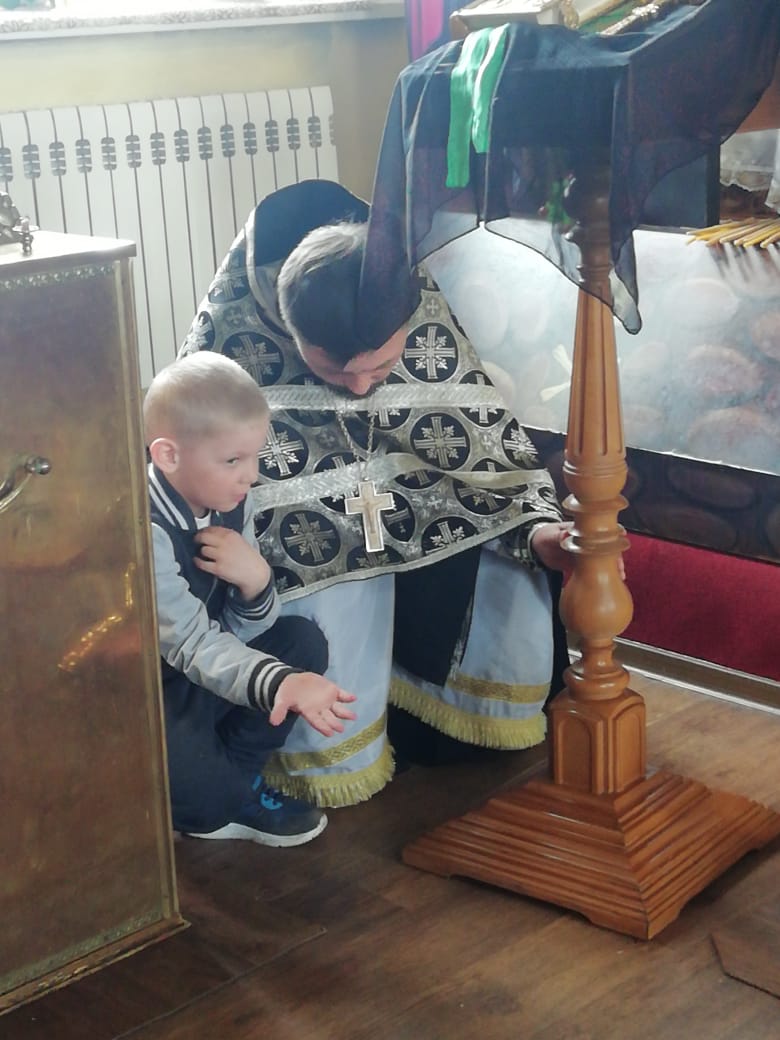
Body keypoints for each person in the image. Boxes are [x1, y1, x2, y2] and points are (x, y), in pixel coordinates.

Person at [180, 179, 572, 809]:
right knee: (308, 561)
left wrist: (536, 530)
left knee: (505, 556)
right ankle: (319, 761)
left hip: (411, 500)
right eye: (334, 370)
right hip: (297, 550)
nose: (361, 389)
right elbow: (196, 477)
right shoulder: (236, 338)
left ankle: (444, 722)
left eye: (382, 369)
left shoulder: (406, 298)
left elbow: (480, 449)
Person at [143, 350, 357, 845]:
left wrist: (256, 583)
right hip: (156, 694)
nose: (251, 475)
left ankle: (231, 786)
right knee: (205, 805)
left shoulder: (231, 501)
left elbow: (241, 631)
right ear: (169, 456)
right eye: (233, 461)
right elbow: (190, 646)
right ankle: (219, 792)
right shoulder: (146, 530)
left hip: (206, 671)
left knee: (302, 642)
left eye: (254, 456)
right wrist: (280, 683)